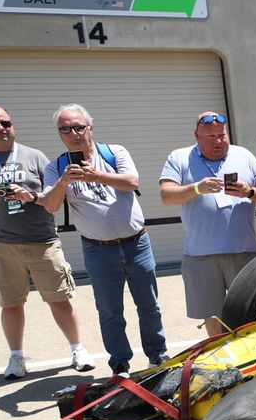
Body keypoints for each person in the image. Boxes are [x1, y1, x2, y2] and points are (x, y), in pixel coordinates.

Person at [40, 104, 166, 376]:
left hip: (136, 243)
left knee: (149, 305)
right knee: (109, 310)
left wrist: (97, 175)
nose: (73, 133)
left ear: (90, 129)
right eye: (65, 129)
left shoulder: (114, 152)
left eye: (78, 127)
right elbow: (49, 205)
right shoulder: (57, 167)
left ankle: (158, 357)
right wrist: (63, 182)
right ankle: (120, 364)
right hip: (98, 250)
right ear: (60, 134)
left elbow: (131, 181)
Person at [0, 104, 94, 379]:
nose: (1, 128)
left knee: (59, 299)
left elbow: (53, 199)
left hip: (42, 241)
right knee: (11, 304)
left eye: (6, 123)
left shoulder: (34, 156)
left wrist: (29, 196)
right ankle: (16, 359)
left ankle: (77, 349)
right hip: (2, 245)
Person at [159, 111, 256, 336]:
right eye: (210, 137)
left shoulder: (243, 155)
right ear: (196, 135)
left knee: (251, 313)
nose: (218, 141)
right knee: (213, 317)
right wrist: (195, 188)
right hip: (201, 255)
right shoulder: (180, 157)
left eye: (222, 135)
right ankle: (223, 360)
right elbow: (166, 195)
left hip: (243, 251)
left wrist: (249, 192)